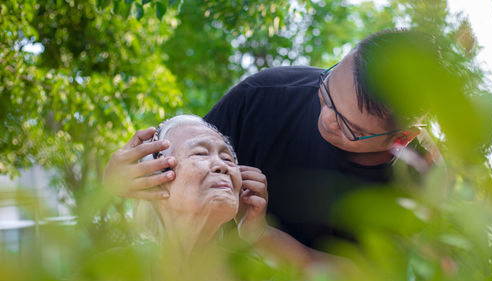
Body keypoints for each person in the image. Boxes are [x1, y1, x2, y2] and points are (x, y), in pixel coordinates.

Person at [103, 29, 443, 252]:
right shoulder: (265, 96)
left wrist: (262, 236)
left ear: (401, 138)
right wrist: (119, 180)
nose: (325, 119)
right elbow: (181, 160)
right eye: (325, 93)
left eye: (347, 126)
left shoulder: (422, 179)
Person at [128, 115, 348, 278]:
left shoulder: (254, 273)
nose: (222, 166)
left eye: (227, 158)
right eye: (200, 153)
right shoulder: (116, 266)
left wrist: (258, 233)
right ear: (154, 176)